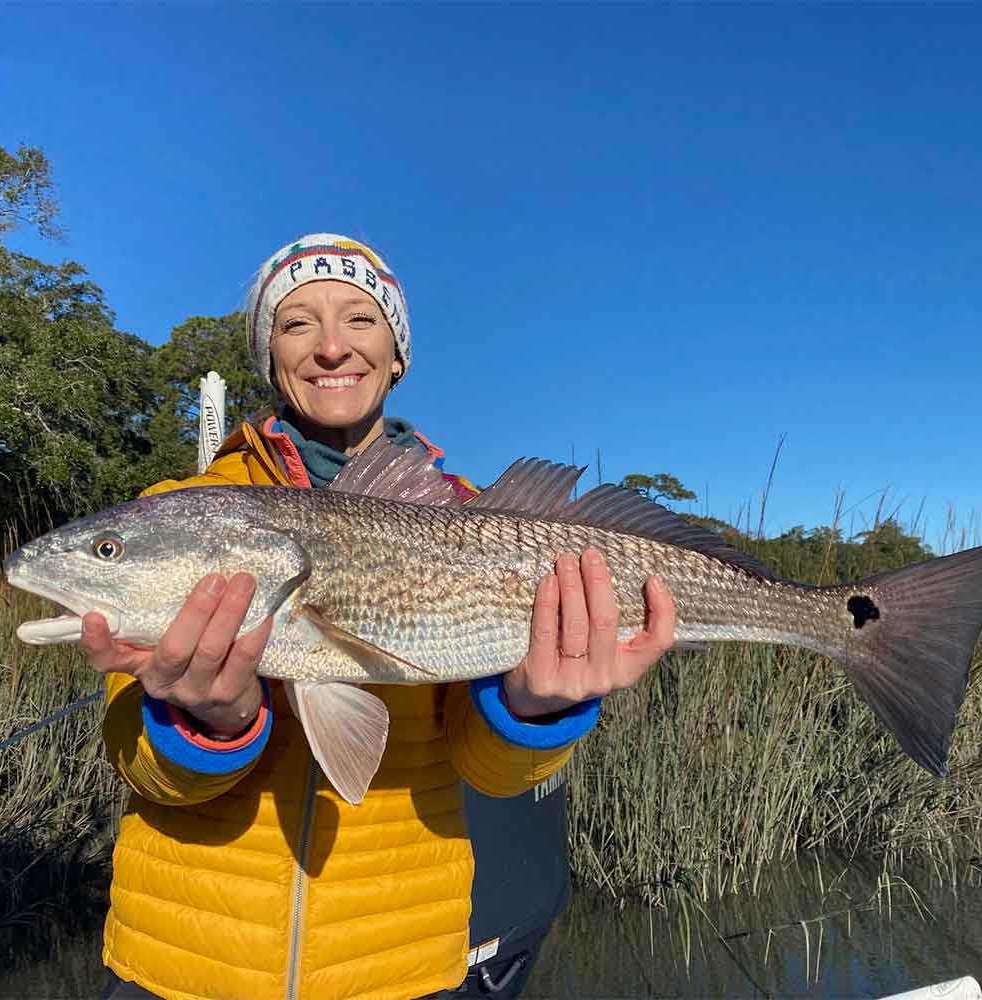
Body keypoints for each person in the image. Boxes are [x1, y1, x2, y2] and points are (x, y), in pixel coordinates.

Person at [81, 234, 676, 1000]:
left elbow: (490, 772)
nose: (331, 348)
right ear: (269, 358)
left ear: (397, 353)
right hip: (183, 965)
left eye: (360, 320)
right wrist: (211, 725)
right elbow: (143, 769)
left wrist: (537, 707)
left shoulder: (464, 512)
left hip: (400, 964)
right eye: (296, 325)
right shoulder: (173, 515)